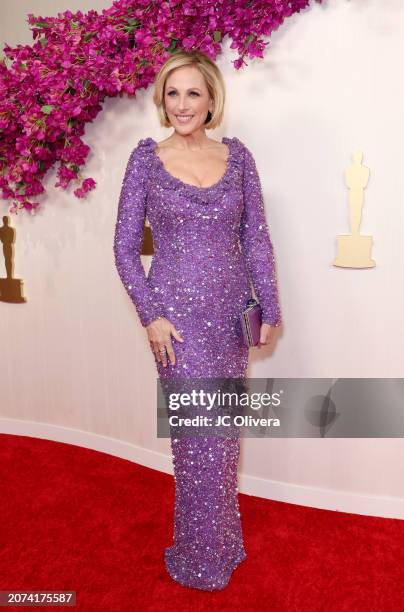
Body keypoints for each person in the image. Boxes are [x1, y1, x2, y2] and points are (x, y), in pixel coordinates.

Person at [113, 49, 282, 591]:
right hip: (176, 322)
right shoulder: (145, 159)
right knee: (196, 439)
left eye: (193, 93)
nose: (182, 104)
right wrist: (150, 316)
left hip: (230, 316)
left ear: (212, 99)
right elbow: (122, 249)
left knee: (224, 435)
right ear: (161, 100)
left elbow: (255, 238)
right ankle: (196, 556)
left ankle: (224, 545)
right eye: (172, 93)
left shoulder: (240, 159)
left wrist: (270, 307)